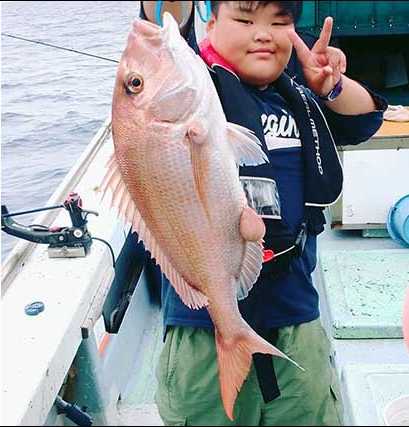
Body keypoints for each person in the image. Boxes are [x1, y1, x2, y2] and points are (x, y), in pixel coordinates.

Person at [133, 2, 388, 425]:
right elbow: (162, 21)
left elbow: (364, 120)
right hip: (203, 330)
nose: (263, 33)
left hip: (294, 316)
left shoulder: (299, 96)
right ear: (209, 25)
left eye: (280, 22)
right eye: (245, 20)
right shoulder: (191, 91)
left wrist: (332, 87)